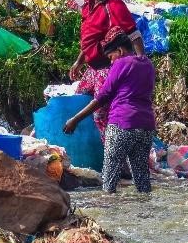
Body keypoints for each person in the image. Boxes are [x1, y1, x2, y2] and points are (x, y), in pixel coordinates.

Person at [63, 32, 156, 193]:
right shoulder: (147, 64)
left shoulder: (121, 64)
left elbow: (101, 98)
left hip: (122, 124)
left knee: (109, 180)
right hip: (146, 126)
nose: (111, 61)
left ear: (120, 51)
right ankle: (145, 214)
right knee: (142, 180)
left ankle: (108, 216)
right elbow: (135, 36)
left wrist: (75, 119)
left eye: (111, 57)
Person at [69, 0, 145, 138]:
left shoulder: (114, 5)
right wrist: (80, 61)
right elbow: (91, 38)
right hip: (92, 67)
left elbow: (133, 33)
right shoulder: (89, 4)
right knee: (79, 98)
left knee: (100, 114)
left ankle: (113, 152)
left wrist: (141, 61)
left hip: (107, 67)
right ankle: (85, 148)